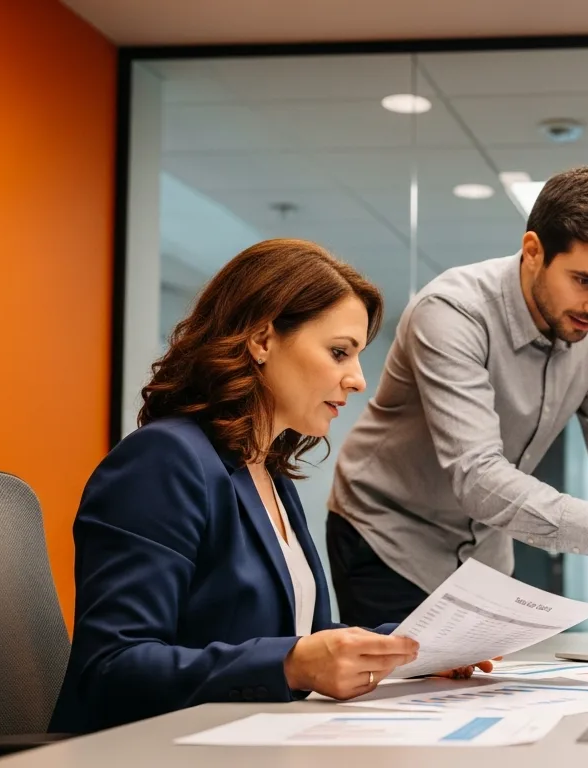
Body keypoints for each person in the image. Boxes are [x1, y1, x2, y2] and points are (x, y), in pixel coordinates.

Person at [50, 239, 490, 735]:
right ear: (262, 340)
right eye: (339, 353)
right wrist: (292, 664)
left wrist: (416, 649)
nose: (357, 380)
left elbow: (298, 637)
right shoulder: (162, 460)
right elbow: (111, 668)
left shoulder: (269, 472)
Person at [327, 166, 588, 646]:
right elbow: (477, 475)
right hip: (388, 536)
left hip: (484, 547)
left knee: (485, 685)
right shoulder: (452, 312)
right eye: (584, 280)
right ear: (534, 250)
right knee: (408, 685)